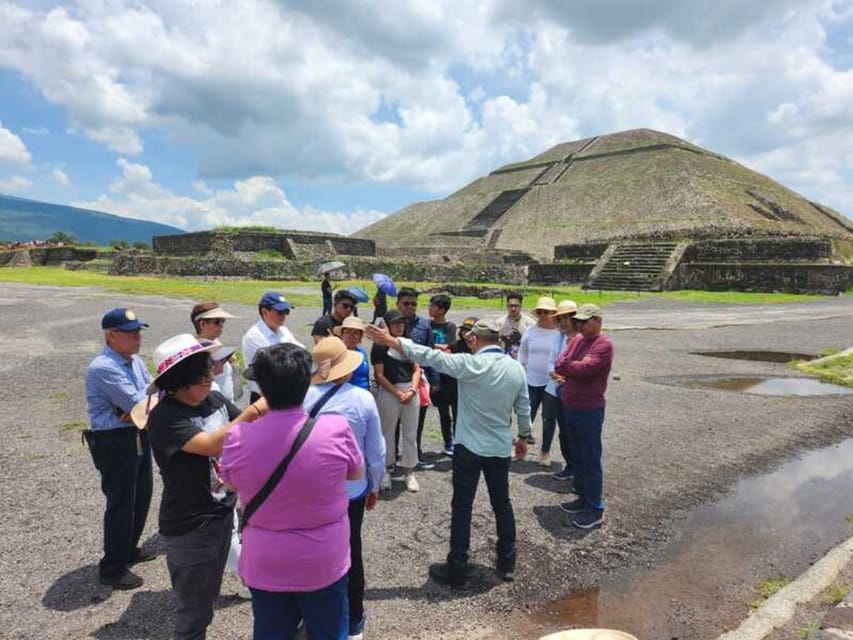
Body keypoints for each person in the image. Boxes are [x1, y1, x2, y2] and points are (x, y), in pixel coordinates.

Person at [366, 318, 531, 587]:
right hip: (500, 447)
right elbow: (523, 406)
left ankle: (457, 565)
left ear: (475, 340)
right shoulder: (516, 369)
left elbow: (430, 356)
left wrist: (393, 342)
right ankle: (507, 561)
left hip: (468, 446)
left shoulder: (469, 364)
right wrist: (523, 436)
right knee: (502, 502)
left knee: (463, 505)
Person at [220, 344, 363, 640]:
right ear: (306, 381)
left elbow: (231, 484)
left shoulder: (238, 437)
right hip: (324, 556)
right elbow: (356, 472)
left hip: (266, 557)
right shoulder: (335, 429)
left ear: (262, 388)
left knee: (272, 631)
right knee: (329, 630)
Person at [146, 334, 267, 639]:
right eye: (203, 376)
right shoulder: (164, 417)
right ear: (180, 381)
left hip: (222, 513)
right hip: (190, 525)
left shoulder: (212, 398)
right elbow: (211, 444)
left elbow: (247, 429)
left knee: (208, 595)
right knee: (194, 611)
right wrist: (256, 409)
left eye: (210, 371)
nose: (211, 378)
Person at [304, 337, 385, 640]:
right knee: (351, 550)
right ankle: (354, 619)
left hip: (312, 491)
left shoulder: (303, 397)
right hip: (351, 490)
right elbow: (375, 452)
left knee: (313, 550)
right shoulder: (362, 399)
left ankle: (312, 617)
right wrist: (375, 485)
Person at [83, 308, 155, 590]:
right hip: (114, 442)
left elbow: (153, 393)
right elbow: (139, 403)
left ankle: (128, 549)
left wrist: (138, 409)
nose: (137, 337)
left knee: (142, 496)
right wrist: (137, 409)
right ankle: (112, 568)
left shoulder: (134, 361)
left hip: (135, 435)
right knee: (121, 504)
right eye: (130, 332)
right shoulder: (104, 367)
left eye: (138, 331)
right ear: (111, 336)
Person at [554, 303, 614, 530]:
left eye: (584, 321)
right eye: (578, 321)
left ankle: (594, 508)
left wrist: (570, 366)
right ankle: (582, 497)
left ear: (597, 321)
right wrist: (571, 366)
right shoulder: (578, 340)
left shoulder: (604, 344)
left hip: (589, 408)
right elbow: (560, 364)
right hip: (570, 404)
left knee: (590, 458)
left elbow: (584, 370)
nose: (579, 325)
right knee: (577, 455)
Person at [372, 310, 422, 493]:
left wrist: (412, 389)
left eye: (402, 323)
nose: (399, 326)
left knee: (410, 433)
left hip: (410, 388)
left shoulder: (409, 344)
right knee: (387, 432)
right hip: (389, 390)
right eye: (395, 323)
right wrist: (397, 392)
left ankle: (409, 471)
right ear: (387, 325)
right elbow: (379, 374)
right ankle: (386, 469)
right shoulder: (380, 346)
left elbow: (417, 369)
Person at [396, 286, 436, 469]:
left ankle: (415, 454)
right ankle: (394, 455)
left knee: (416, 422)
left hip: (418, 380)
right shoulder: (390, 324)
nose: (410, 307)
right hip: (394, 379)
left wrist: (435, 380)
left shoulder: (424, 325)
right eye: (406, 303)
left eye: (413, 304)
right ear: (398, 304)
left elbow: (431, 352)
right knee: (393, 422)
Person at [518, 297, 559, 467]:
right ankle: (521, 447)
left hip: (551, 382)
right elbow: (522, 352)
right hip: (532, 378)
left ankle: (545, 451)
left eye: (546, 312)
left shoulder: (559, 333)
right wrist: (521, 369)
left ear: (553, 314)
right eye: (540, 312)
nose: (542, 315)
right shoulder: (531, 330)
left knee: (549, 417)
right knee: (526, 414)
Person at [242, 291, 304, 403]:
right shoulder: (254, 337)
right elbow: (278, 367)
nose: (284, 315)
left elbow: (302, 354)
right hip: (264, 398)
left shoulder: (283, 331)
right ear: (264, 312)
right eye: (280, 312)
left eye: (286, 311)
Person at [497, 291, 537, 445]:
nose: (513, 308)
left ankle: (526, 431)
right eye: (510, 305)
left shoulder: (529, 324)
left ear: (521, 306)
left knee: (524, 402)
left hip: (523, 368)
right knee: (504, 402)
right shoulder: (499, 323)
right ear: (506, 306)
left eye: (516, 306)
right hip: (504, 367)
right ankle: (505, 431)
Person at [547, 300, 579, 480]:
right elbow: (551, 360)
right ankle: (570, 465)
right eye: (562, 318)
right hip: (558, 388)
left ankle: (578, 467)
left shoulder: (582, 339)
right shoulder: (558, 337)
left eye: (568, 317)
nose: (565, 322)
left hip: (574, 390)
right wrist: (554, 373)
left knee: (575, 431)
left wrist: (567, 377)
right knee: (564, 430)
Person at [191, 301, 240, 402]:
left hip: (226, 404)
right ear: (203, 324)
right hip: (212, 406)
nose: (221, 325)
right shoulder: (195, 350)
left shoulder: (214, 341)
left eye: (223, 321)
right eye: (217, 321)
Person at [428, 294, 458, 456]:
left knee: (457, 411)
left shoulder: (450, 327)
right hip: (434, 373)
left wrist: (432, 346)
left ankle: (458, 440)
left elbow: (450, 346)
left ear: (441, 310)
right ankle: (448, 441)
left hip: (449, 375)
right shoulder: (426, 324)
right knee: (443, 412)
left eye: (432, 306)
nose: (429, 308)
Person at [333, 316, 371, 391]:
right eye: (348, 332)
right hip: (345, 395)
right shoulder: (337, 353)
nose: (351, 336)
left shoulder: (362, 351)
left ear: (360, 337)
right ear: (342, 334)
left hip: (364, 393)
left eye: (355, 333)